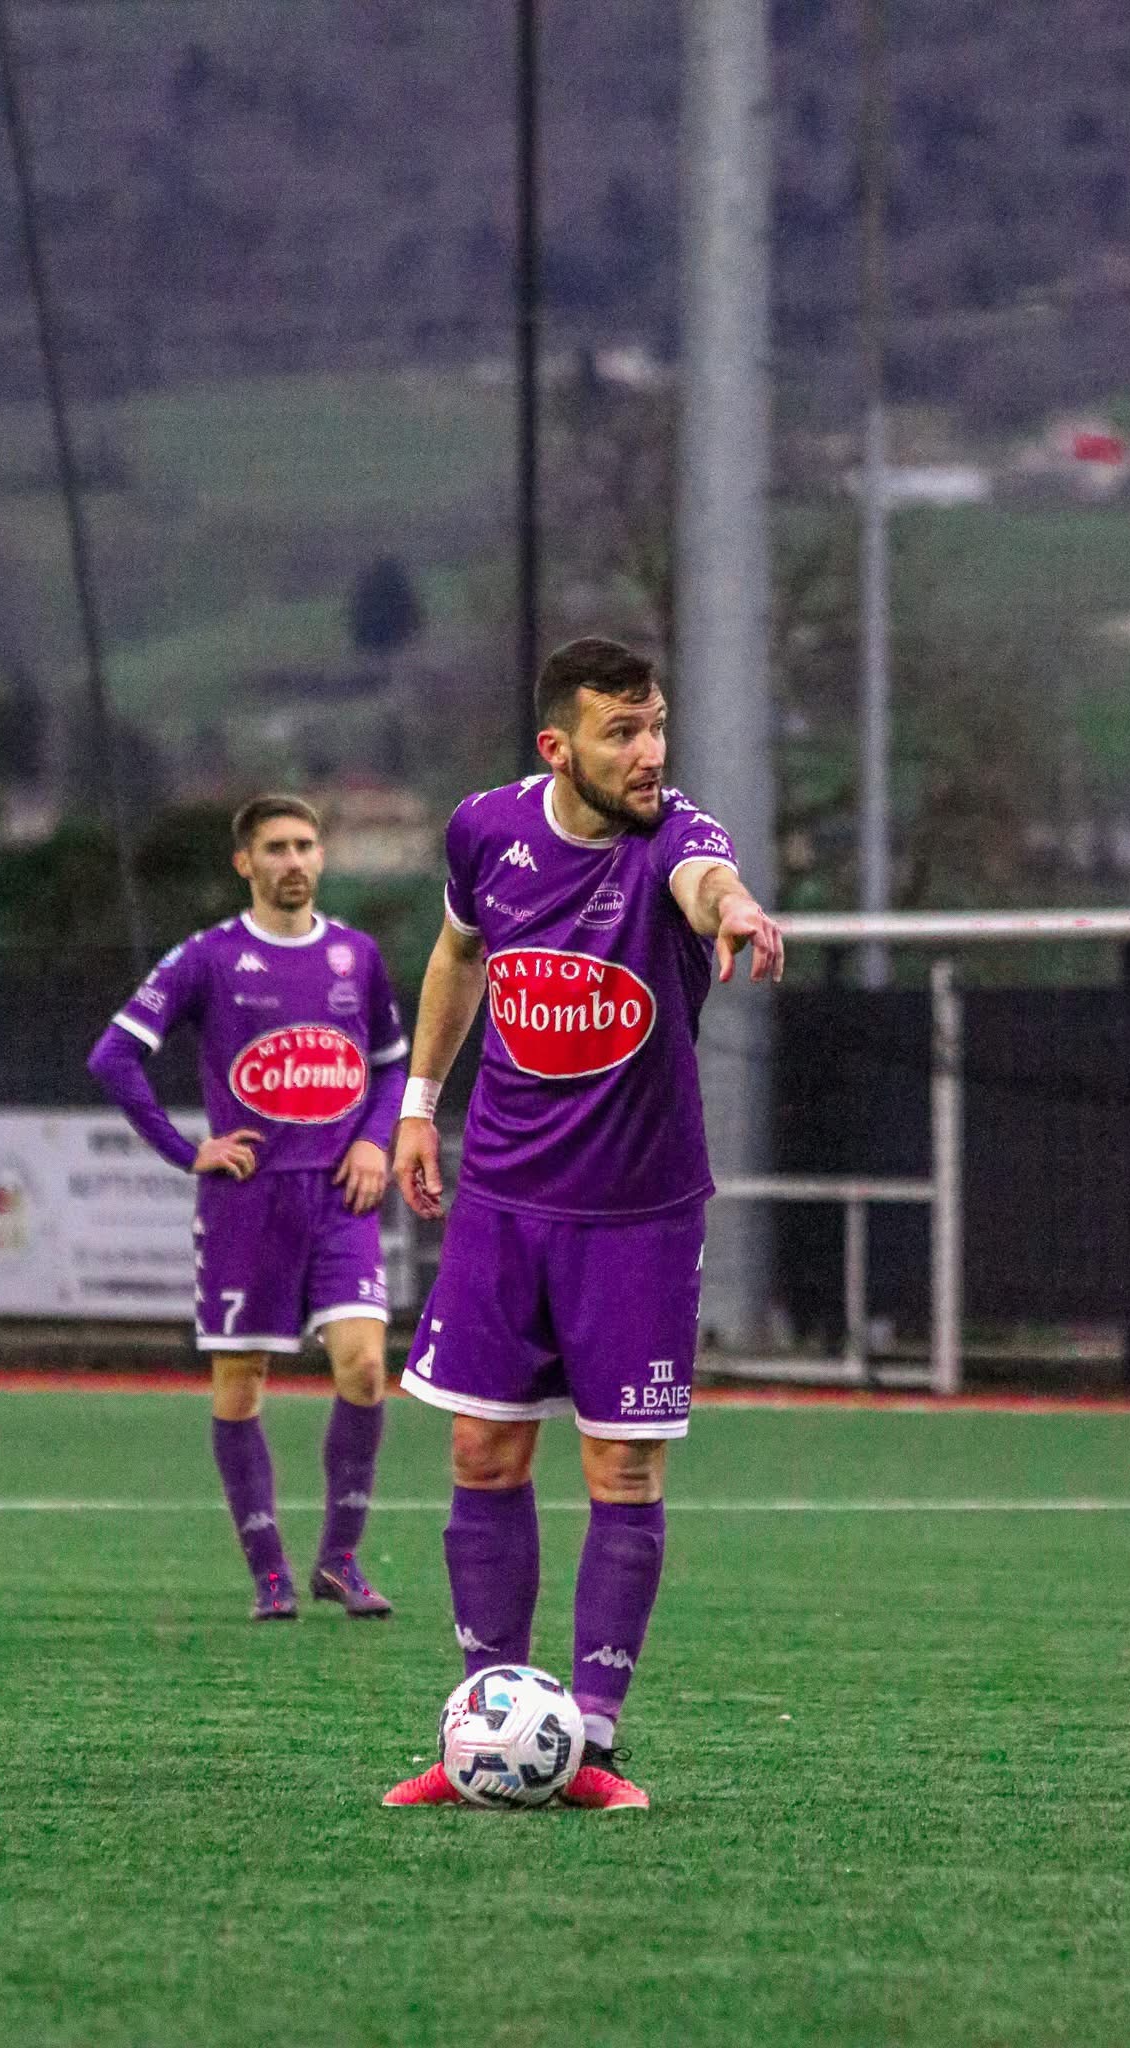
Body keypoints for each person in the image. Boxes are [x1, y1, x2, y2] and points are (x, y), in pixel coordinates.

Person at [381, 636, 783, 1810]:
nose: (649, 752)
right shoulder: (485, 829)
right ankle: (484, 1730)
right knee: (481, 1450)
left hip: (638, 1214)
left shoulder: (676, 836)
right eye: (623, 732)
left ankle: (590, 1743)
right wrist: (417, 1104)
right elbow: (459, 953)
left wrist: (738, 908)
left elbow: (708, 882)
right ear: (558, 746)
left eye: (656, 725)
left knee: (623, 1464)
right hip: (504, 1201)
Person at [87, 794, 408, 1620]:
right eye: (275, 848)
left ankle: (340, 1560)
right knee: (240, 1385)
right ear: (245, 863)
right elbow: (113, 1056)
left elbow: (390, 1066)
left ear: (321, 856)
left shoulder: (357, 955)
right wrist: (185, 1148)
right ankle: (269, 1572)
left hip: (339, 1193)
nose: (293, 860)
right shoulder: (208, 958)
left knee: (365, 1367)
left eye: (305, 845)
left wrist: (375, 1142)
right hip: (248, 1203)